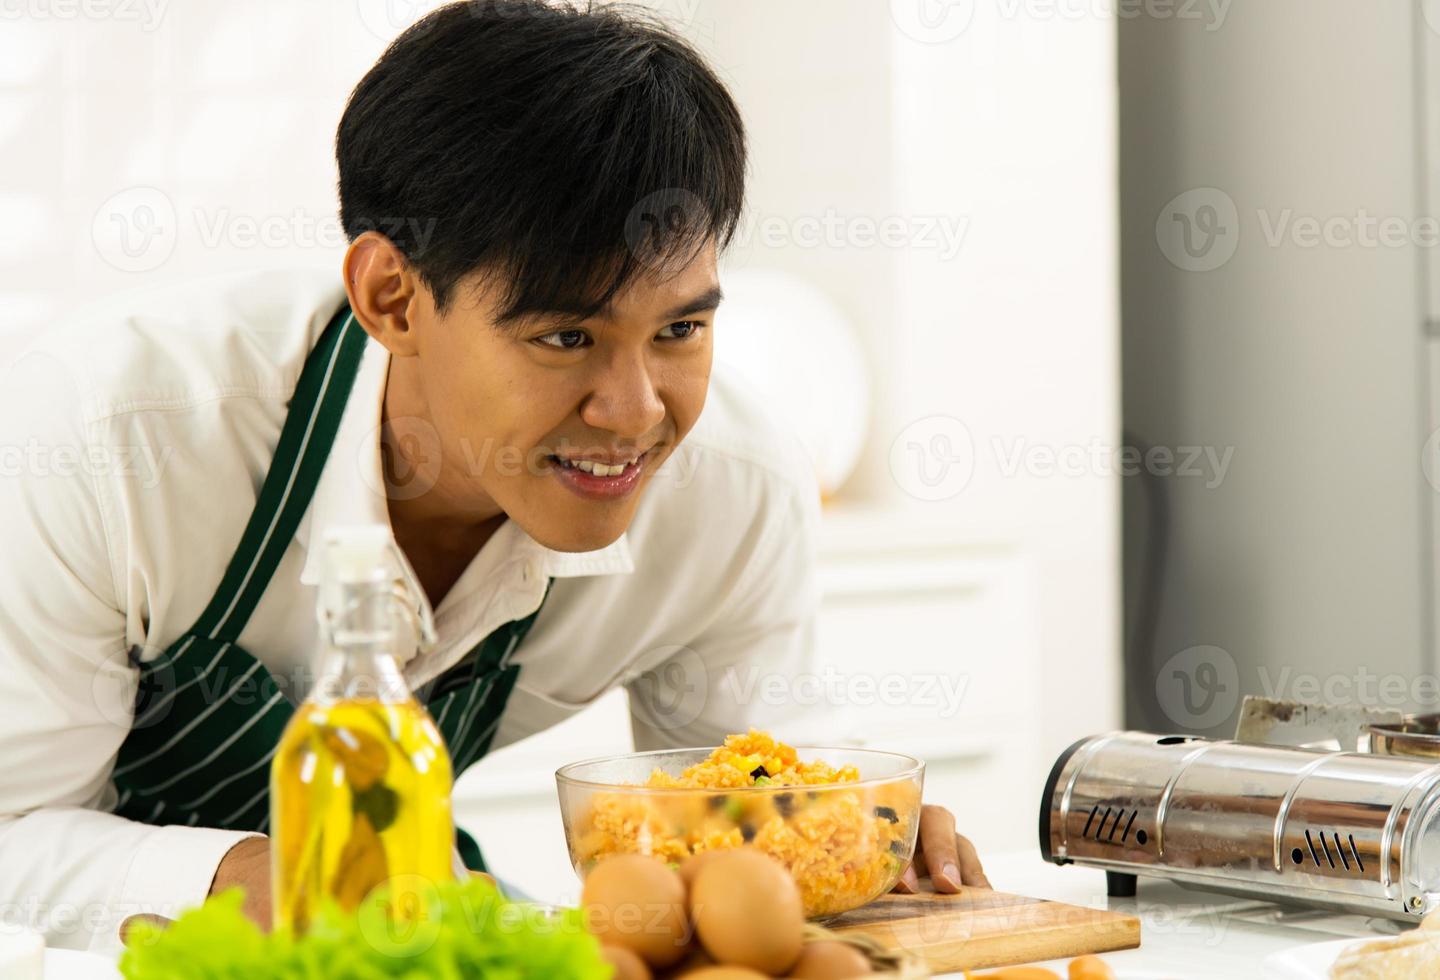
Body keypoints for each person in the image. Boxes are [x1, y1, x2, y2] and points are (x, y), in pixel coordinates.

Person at [0, 0, 985, 955]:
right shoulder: (108, 441)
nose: (635, 411)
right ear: (392, 295)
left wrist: (844, 849)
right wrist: (268, 879)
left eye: (681, 328)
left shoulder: (733, 489)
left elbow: (750, 829)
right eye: (567, 335)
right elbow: (10, 838)